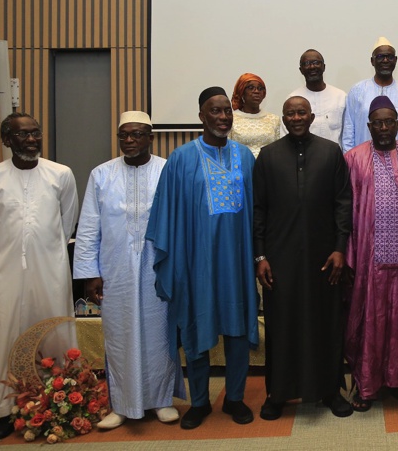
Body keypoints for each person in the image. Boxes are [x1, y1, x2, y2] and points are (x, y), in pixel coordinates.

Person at [0, 113, 78, 440]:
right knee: (4, 337)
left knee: (55, 334)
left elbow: (67, 223)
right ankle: (6, 409)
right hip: (4, 273)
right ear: (7, 140)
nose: (32, 139)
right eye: (23, 134)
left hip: (50, 273)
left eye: (36, 133)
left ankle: (58, 404)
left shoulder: (61, 174)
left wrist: (44, 251)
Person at [147, 87, 258, 429]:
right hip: (197, 262)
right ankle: (199, 401)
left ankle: (235, 397)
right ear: (201, 116)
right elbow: (167, 213)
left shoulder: (245, 157)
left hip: (237, 261)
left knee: (237, 328)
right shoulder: (181, 158)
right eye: (215, 111)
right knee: (196, 326)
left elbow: (257, 212)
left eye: (227, 111)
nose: (223, 117)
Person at [73, 111, 184, 429]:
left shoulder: (167, 170)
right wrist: (89, 273)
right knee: (119, 336)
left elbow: (180, 221)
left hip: (157, 269)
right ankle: (121, 405)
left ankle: (161, 400)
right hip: (115, 269)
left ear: (150, 137)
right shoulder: (101, 174)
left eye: (137, 134)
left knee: (159, 334)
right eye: (124, 135)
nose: (130, 140)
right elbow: (89, 226)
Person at [254, 96, 353, 419]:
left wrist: (340, 248)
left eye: (301, 113)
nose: (296, 118)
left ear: (311, 117)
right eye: (290, 114)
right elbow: (258, 209)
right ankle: (278, 394)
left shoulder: (331, 152)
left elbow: (343, 203)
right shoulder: (268, 156)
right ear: (283, 119)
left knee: (327, 323)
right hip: (280, 258)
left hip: (324, 258)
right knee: (282, 325)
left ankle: (330, 391)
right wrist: (260, 255)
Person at [344, 96, 398, 412]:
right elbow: (345, 209)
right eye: (377, 123)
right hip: (369, 256)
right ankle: (366, 384)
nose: (383, 127)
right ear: (369, 126)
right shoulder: (353, 158)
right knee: (370, 320)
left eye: (389, 122)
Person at [342, 36, 398, 152]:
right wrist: (351, 159)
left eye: (389, 57)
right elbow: (348, 131)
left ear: (395, 60)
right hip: (364, 159)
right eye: (380, 56)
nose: (385, 60)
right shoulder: (357, 91)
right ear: (372, 61)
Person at [283, 49, 347, 145]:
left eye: (316, 63)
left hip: (335, 154)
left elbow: (347, 134)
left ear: (324, 67)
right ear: (301, 70)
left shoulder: (340, 97)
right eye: (306, 64)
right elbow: (285, 135)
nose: (312, 67)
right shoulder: (292, 99)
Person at [229, 73, 281, 157]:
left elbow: (278, 149)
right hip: (241, 164)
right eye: (251, 88)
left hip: (267, 164)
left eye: (260, 88)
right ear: (242, 92)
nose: (256, 91)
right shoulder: (231, 119)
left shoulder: (274, 119)